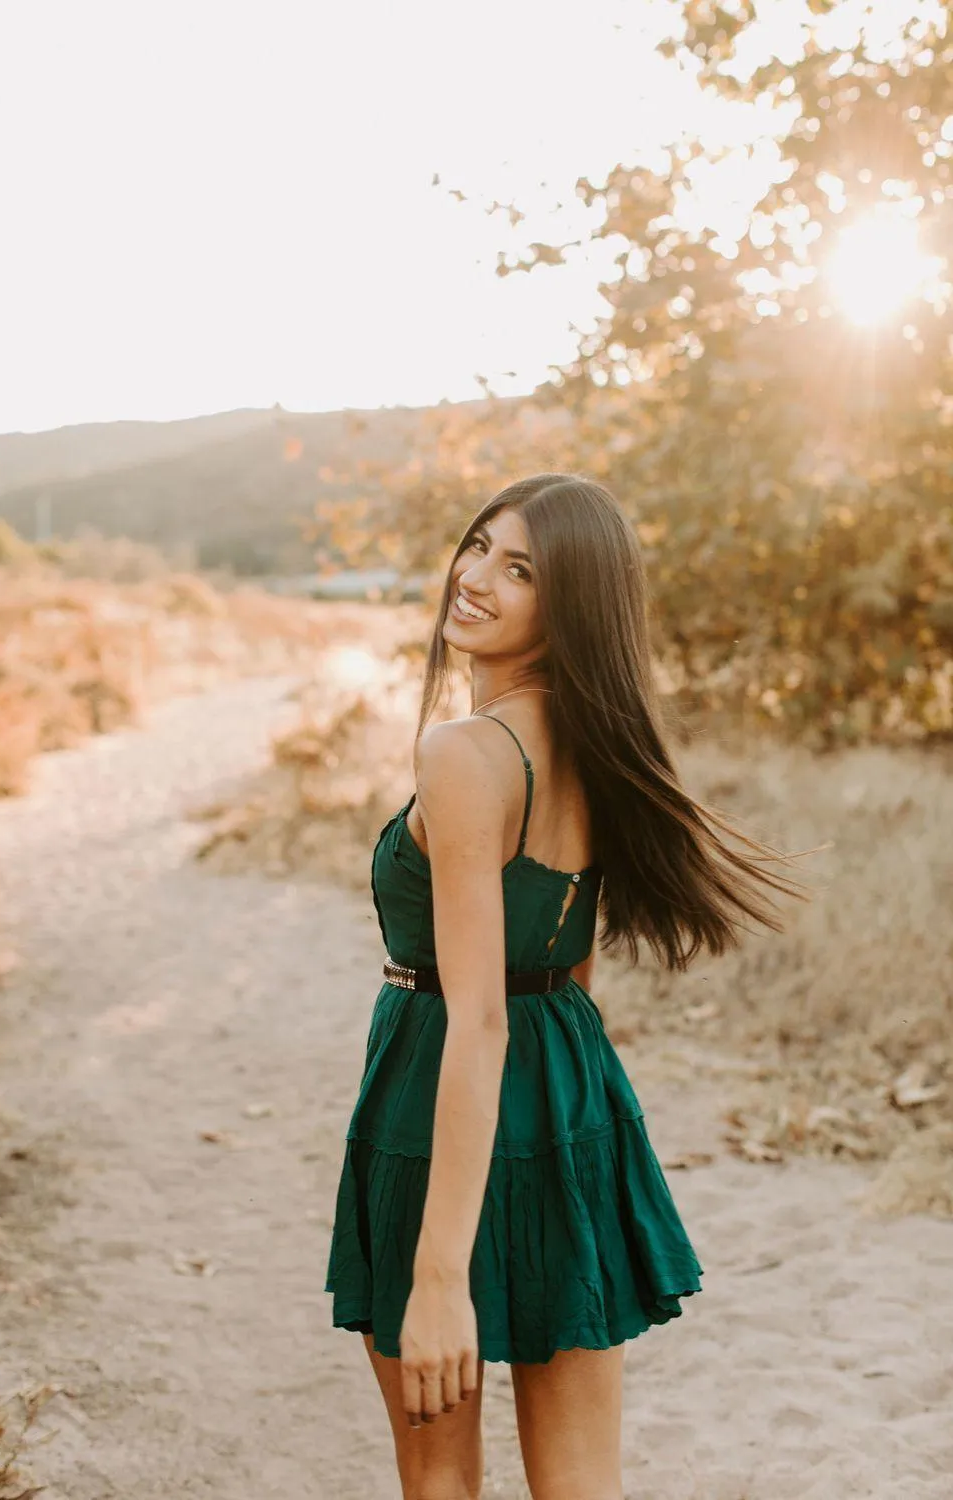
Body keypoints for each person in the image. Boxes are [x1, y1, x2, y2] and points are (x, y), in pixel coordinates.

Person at [324, 473, 806, 1500]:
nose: (475, 577)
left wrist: (443, 1275)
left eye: (521, 568)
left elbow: (479, 1019)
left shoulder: (464, 754)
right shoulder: (596, 745)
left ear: (571, 602)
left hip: (438, 1105)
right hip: (574, 1101)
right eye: (479, 546)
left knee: (440, 1482)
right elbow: (567, 964)